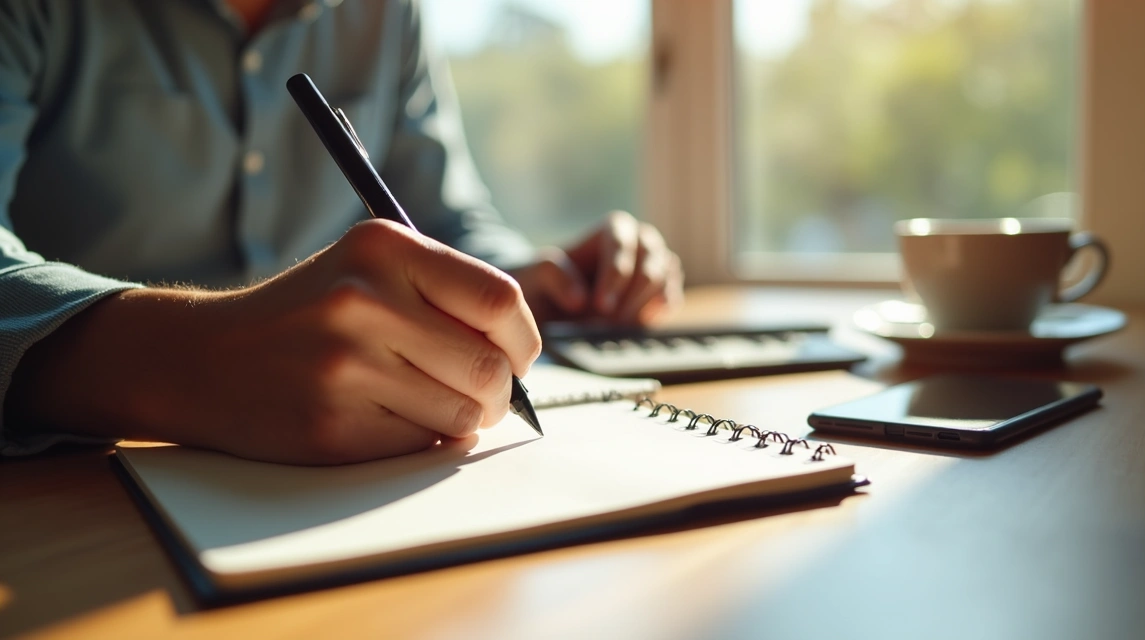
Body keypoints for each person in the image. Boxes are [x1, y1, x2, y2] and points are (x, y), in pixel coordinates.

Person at [0, 0, 683, 463]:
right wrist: (194, 359)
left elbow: (442, 222)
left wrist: (531, 276)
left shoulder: (388, 13)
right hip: (76, 483)